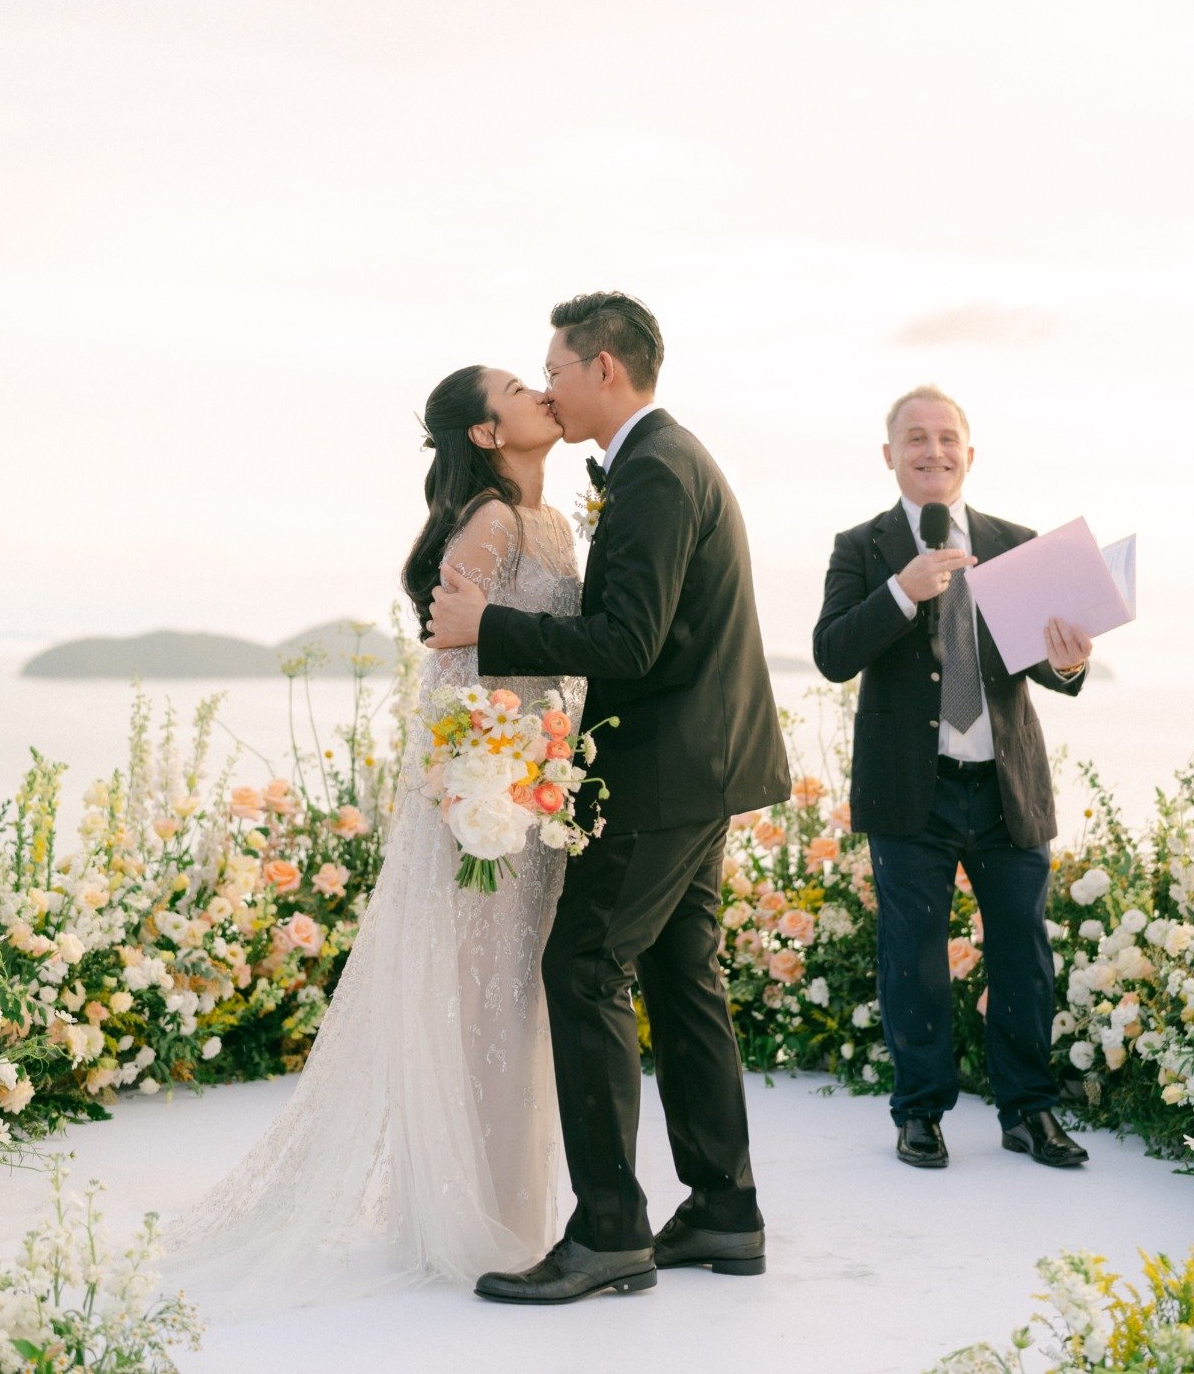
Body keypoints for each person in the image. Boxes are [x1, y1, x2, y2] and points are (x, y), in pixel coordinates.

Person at [159, 364, 584, 1319]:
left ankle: (522, 1209)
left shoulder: (555, 524)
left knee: (522, 1001)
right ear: (485, 432)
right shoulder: (491, 522)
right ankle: (480, 1221)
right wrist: (479, 787)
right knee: (482, 1001)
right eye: (519, 386)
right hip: (492, 803)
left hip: (543, 792)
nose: (540, 391)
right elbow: (452, 670)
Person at [428, 291, 791, 1304]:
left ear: (605, 370)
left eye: (557, 365)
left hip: (670, 770)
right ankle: (724, 1210)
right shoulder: (658, 462)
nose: (547, 383)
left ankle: (609, 1232)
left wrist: (485, 629)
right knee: (683, 978)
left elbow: (629, 642)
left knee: (582, 963)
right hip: (696, 763)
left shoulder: (657, 475)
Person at [812, 384, 1092, 1173]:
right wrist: (904, 590)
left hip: (1005, 785)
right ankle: (921, 1114)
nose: (932, 450)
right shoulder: (861, 546)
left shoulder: (1016, 543)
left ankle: (1029, 1113)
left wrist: (1071, 659)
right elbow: (832, 653)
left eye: (946, 438)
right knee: (914, 960)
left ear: (970, 453)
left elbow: (1046, 665)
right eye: (915, 439)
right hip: (913, 789)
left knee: (1023, 958)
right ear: (890, 455)